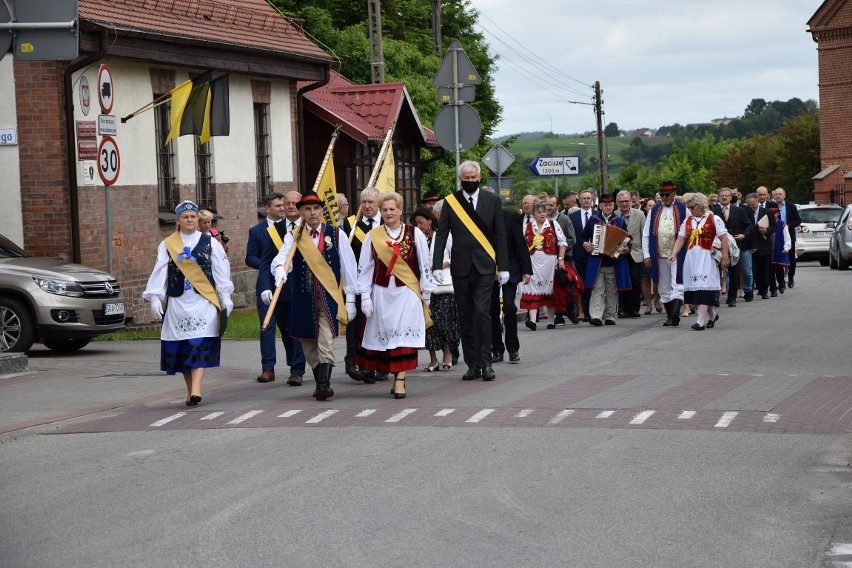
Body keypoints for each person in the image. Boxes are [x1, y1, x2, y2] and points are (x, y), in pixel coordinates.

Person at [142, 200, 234, 406]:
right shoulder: (167, 244)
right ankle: (190, 390)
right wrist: (155, 297)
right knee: (184, 347)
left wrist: (226, 295)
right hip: (178, 303)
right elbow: (160, 272)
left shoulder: (210, 242)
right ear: (178, 220)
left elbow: (220, 271)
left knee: (198, 343)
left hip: (203, 301)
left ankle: (197, 388)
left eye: (193, 216)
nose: (190, 220)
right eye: (186, 217)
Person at [271, 193, 358, 401]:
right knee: (309, 346)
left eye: (316, 208)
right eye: (307, 209)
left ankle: (323, 385)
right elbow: (282, 259)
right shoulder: (294, 236)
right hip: (303, 298)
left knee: (325, 341)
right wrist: (280, 271)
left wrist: (352, 298)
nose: (312, 213)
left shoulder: (336, 234)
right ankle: (321, 380)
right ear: (301, 212)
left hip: (328, 298)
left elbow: (349, 268)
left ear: (322, 211)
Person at [432, 160, 509, 382]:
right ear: (460, 179)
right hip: (461, 267)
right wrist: (437, 264)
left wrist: (503, 266)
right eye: (466, 179)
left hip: (485, 266)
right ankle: (472, 364)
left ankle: (486, 364)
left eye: (474, 178)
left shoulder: (492, 200)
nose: (471, 182)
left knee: (482, 313)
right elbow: (442, 234)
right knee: (465, 315)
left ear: (479, 178)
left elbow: (500, 235)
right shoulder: (451, 202)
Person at [356, 193, 434, 399]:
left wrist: (426, 294)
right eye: (385, 210)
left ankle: (400, 380)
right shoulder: (373, 236)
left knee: (404, 338)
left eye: (392, 209)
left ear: (400, 210)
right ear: (381, 212)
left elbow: (425, 265)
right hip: (382, 294)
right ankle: (393, 375)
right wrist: (364, 296)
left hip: (407, 293)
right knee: (388, 338)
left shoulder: (414, 233)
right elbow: (364, 268)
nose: (389, 213)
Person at [245, 192, 306, 386]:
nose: (286, 207)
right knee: (275, 328)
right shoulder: (271, 231)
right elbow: (263, 262)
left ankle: (297, 370)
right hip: (274, 285)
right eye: (283, 204)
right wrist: (265, 285)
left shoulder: (306, 227)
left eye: (291, 204)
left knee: (295, 329)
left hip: (299, 286)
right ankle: (269, 368)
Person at [342, 187, 385, 383]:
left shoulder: (387, 223)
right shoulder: (350, 225)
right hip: (358, 283)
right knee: (357, 325)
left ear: (379, 204)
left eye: (371, 202)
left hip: (383, 283)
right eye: (364, 202)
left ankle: (381, 364)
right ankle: (355, 362)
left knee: (380, 323)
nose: (367, 206)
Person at [668, 193, 729, 330]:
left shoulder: (714, 218)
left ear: (701, 205)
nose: (690, 209)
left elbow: (724, 238)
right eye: (688, 207)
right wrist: (674, 253)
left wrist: (725, 256)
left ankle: (700, 321)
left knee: (703, 287)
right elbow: (681, 238)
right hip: (692, 257)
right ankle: (712, 315)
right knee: (695, 289)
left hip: (707, 257)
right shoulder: (688, 221)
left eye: (692, 207)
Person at [411, 207, 458, 371]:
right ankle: (433, 359)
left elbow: (456, 256)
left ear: (430, 220)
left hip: (443, 285)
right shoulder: (416, 239)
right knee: (428, 324)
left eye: (421, 222)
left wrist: (440, 265)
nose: (419, 226)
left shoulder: (443, 236)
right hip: (424, 286)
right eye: (416, 224)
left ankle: (447, 354)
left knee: (443, 322)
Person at [491, 200, 532, 363]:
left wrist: (526, 269)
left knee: (509, 306)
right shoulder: (479, 218)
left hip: (510, 268)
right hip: (488, 270)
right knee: (491, 310)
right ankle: (497, 349)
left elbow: (520, 243)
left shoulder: (510, 216)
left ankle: (513, 349)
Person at [642, 181, 687, 327]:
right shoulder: (653, 210)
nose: (664, 197)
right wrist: (647, 254)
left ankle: (675, 313)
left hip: (677, 253)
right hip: (659, 253)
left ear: (674, 193)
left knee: (678, 282)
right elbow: (646, 234)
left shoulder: (683, 209)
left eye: (667, 194)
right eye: (662, 195)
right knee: (663, 285)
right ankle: (670, 315)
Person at [582, 193, 631, 326]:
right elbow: (583, 237)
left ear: (613, 206)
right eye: (605, 205)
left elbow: (626, 240)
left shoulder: (619, 221)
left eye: (610, 205)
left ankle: (610, 315)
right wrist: (585, 244)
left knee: (611, 289)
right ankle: (596, 315)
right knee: (597, 288)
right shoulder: (593, 220)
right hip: (597, 260)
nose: (608, 207)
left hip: (613, 261)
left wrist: (625, 249)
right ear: (601, 206)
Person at [519, 198, 568, 330]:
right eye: (539, 212)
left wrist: (561, 259)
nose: (542, 214)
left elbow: (562, 243)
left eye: (544, 212)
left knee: (550, 289)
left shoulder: (553, 225)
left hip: (549, 262)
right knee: (532, 288)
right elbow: (521, 245)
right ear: (534, 214)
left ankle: (551, 320)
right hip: (532, 261)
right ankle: (533, 320)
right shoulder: (527, 226)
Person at [710, 187, 752, 307]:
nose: (724, 197)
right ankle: (715, 297)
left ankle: (732, 297)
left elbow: (749, 225)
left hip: (734, 245)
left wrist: (744, 235)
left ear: (731, 197)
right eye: (722, 195)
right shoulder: (713, 210)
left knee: (734, 272)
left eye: (726, 196)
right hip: (717, 245)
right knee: (716, 272)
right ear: (718, 197)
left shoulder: (738, 210)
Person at [615, 190, 645, 318]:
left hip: (635, 252)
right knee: (621, 281)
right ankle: (623, 308)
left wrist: (645, 253)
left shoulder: (639, 214)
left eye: (626, 201)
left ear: (631, 202)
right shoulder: (614, 215)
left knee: (634, 280)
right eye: (621, 201)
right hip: (618, 253)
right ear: (617, 203)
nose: (624, 204)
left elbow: (644, 235)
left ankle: (634, 308)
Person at [568, 189, 597, 320]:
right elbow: (573, 235)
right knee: (583, 283)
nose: (586, 200)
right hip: (580, 254)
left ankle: (595, 310)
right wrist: (583, 243)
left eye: (588, 198)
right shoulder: (572, 217)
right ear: (579, 200)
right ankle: (585, 311)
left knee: (596, 283)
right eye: (583, 198)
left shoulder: (598, 215)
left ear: (592, 200)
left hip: (596, 253)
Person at [743, 192, 776, 299]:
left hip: (763, 244)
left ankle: (764, 290)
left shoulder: (766, 212)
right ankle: (749, 291)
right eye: (749, 204)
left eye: (753, 204)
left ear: (757, 202)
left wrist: (766, 230)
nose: (751, 207)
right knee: (750, 270)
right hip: (749, 244)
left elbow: (774, 227)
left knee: (763, 269)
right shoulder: (744, 212)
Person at [771, 187, 801, 288]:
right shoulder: (771, 206)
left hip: (789, 235)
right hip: (776, 236)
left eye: (780, 194)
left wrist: (788, 225)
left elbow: (798, 220)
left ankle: (791, 276)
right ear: (773, 196)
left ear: (784, 196)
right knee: (778, 259)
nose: (778, 196)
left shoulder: (791, 207)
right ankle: (780, 281)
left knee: (791, 258)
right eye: (776, 194)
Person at [766, 201, 791, 294]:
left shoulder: (782, 224)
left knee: (779, 268)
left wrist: (786, 247)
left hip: (778, 249)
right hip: (769, 250)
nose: (773, 215)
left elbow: (787, 237)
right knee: (770, 270)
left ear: (777, 214)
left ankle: (781, 284)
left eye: (774, 213)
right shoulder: (765, 224)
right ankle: (773, 289)